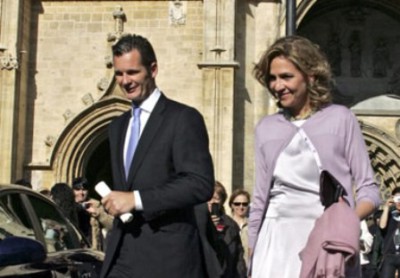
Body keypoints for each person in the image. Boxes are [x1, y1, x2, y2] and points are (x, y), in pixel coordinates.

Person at [249, 35, 381, 277]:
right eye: (272, 78)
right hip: (275, 242)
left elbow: (369, 190)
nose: (278, 86)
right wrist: (252, 252)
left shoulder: (341, 118)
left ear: (310, 76)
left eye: (286, 76)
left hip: (327, 241)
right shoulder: (265, 128)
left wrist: (343, 225)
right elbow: (259, 200)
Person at [100, 34, 214, 278]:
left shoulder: (183, 118)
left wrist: (136, 199)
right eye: (119, 74)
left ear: (153, 69)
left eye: (132, 72)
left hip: (167, 258)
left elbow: (199, 183)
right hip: (121, 253)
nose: (125, 81)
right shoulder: (117, 127)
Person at [208, 181, 247, 278]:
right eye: (209, 198)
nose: (212, 202)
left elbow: (238, 258)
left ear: (222, 202)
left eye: (216, 198)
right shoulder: (198, 221)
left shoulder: (230, 225)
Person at [73, 177, 113, 251]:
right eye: (77, 190)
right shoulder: (68, 205)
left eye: (84, 190)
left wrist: (97, 213)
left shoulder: (95, 204)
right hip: (74, 249)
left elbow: (111, 225)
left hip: (92, 250)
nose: (81, 193)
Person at [379, 187, 400, 277]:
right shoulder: (390, 215)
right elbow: (382, 226)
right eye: (397, 198)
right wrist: (386, 207)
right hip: (389, 255)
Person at [228, 189, 250, 266]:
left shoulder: (253, 225)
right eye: (237, 204)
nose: (241, 207)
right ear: (231, 205)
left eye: (244, 204)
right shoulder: (225, 224)